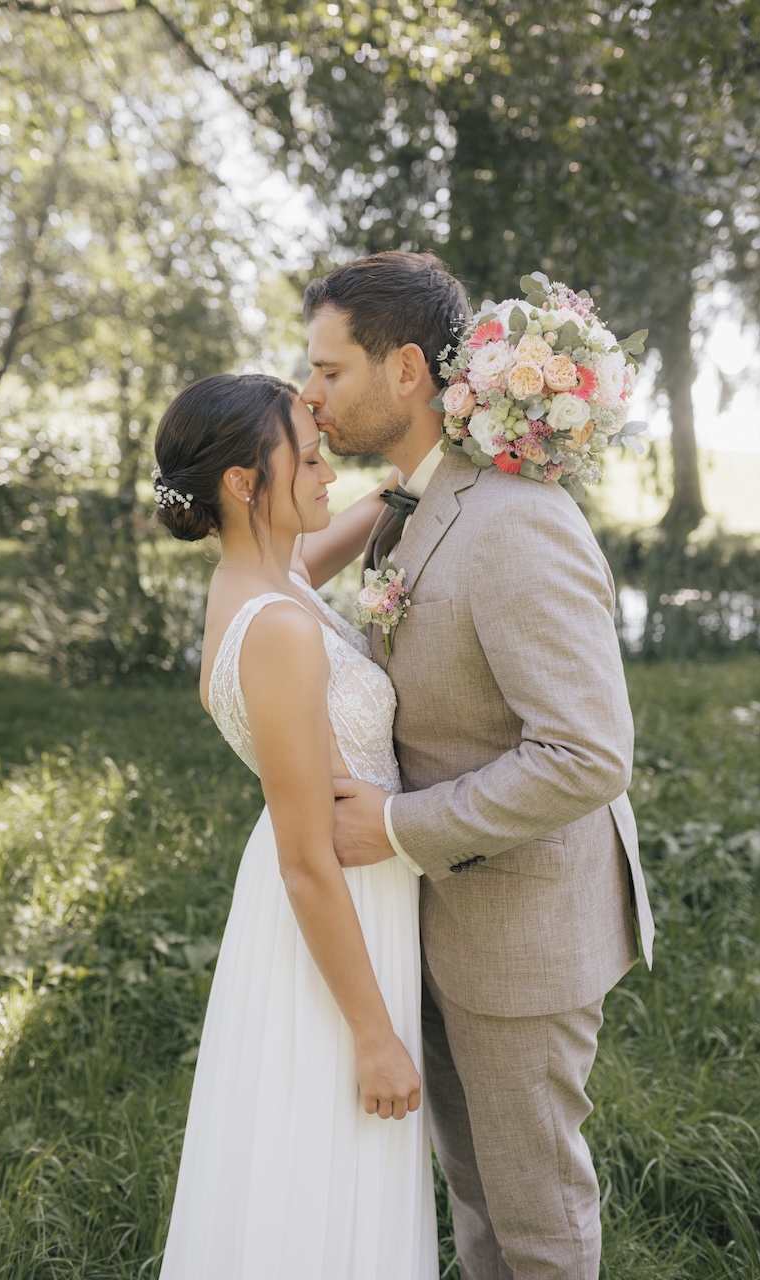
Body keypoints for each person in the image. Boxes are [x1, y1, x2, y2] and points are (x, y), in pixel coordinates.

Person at [301, 250, 656, 1280]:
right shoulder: (413, 504)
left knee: (535, 1221)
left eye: (329, 370)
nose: (310, 394)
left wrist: (395, 828)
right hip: (437, 922)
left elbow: (586, 754)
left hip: (521, 931)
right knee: (476, 1201)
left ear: (406, 369)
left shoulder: (515, 523)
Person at [152, 372, 438, 1279]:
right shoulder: (275, 625)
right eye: (308, 462)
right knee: (324, 1171)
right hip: (334, 912)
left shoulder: (270, 581)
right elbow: (307, 858)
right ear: (243, 482)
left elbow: (324, 548)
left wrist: (421, 472)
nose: (327, 474)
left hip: (350, 900)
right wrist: (375, 1035)